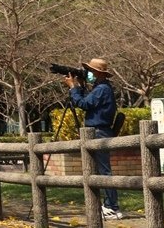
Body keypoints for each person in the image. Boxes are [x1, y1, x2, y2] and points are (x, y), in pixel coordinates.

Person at [64, 58, 122, 220]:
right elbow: (87, 102)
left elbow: (83, 104)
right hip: (97, 131)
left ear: (98, 73)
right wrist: (80, 87)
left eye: (90, 71)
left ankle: (112, 206)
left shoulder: (102, 89)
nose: (89, 74)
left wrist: (73, 88)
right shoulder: (101, 88)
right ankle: (107, 205)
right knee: (98, 171)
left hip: (99, 132)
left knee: (104, 171)